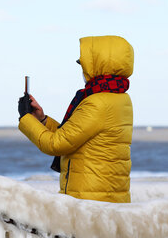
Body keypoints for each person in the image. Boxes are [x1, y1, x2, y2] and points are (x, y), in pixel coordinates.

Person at [17, 35, 134, 203]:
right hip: (105, 195)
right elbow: (73, 135)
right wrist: (41, 120)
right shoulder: (118, 97)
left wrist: (26, 118)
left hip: (91, 201)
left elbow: (56, 144)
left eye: (85, 65)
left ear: (98, 66)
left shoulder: (98, 103)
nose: (83, 70)